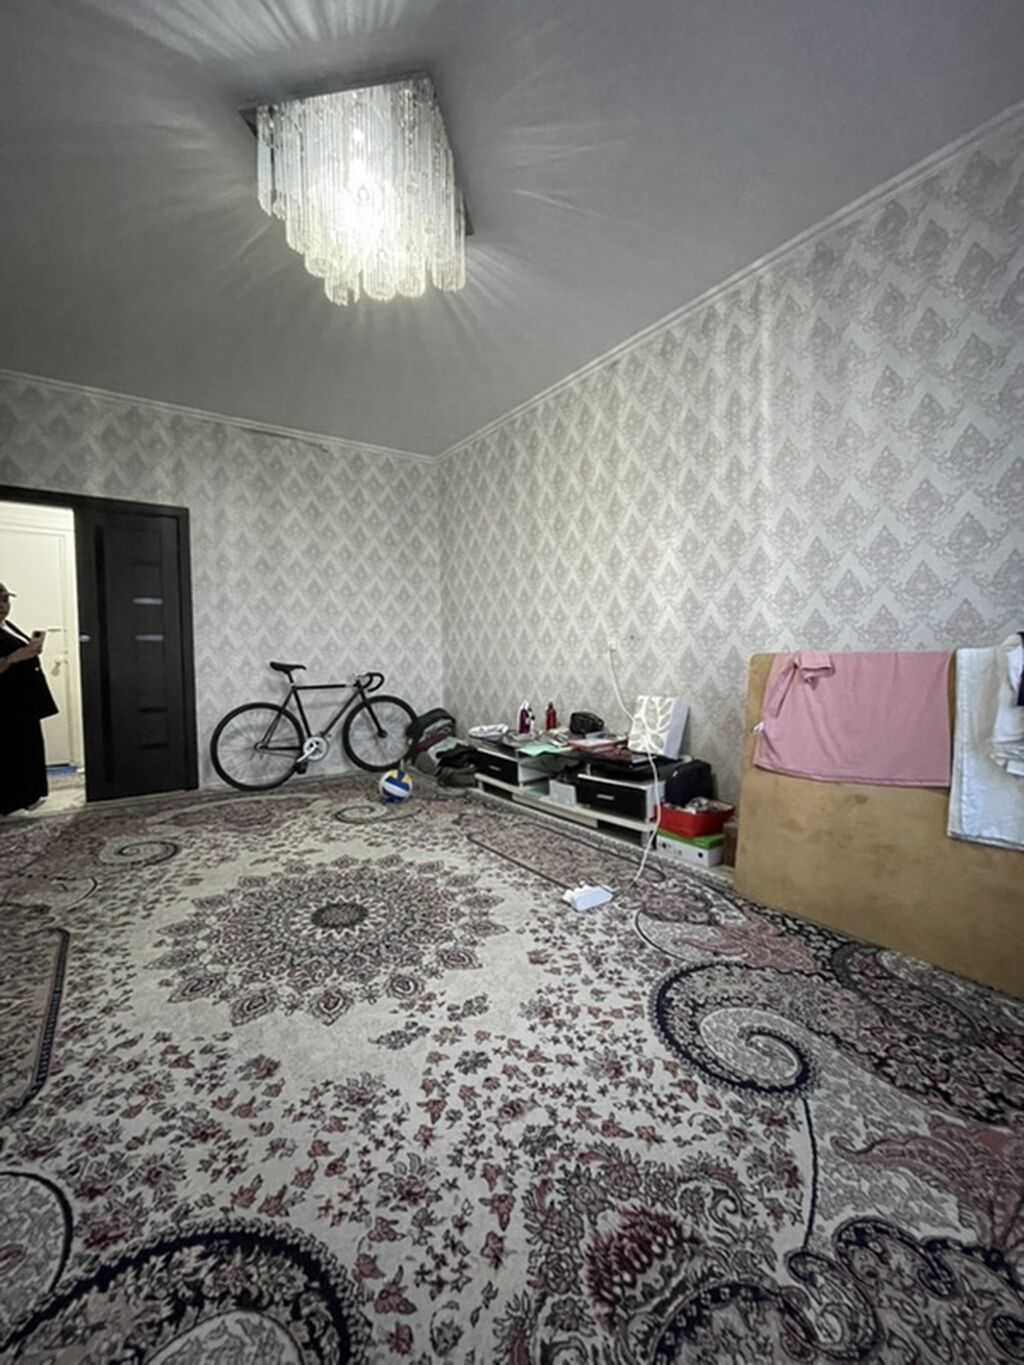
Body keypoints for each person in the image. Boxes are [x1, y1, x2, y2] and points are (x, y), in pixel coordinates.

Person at [0, 581, 59, 815]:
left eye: (5, 600)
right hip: (6, 703)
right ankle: (10, 802)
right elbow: (10, 659)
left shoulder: (7, 625)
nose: (3, 605)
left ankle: (30, 794)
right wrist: (14, 657)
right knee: (10, 750)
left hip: (23, 700)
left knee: (28, 745)